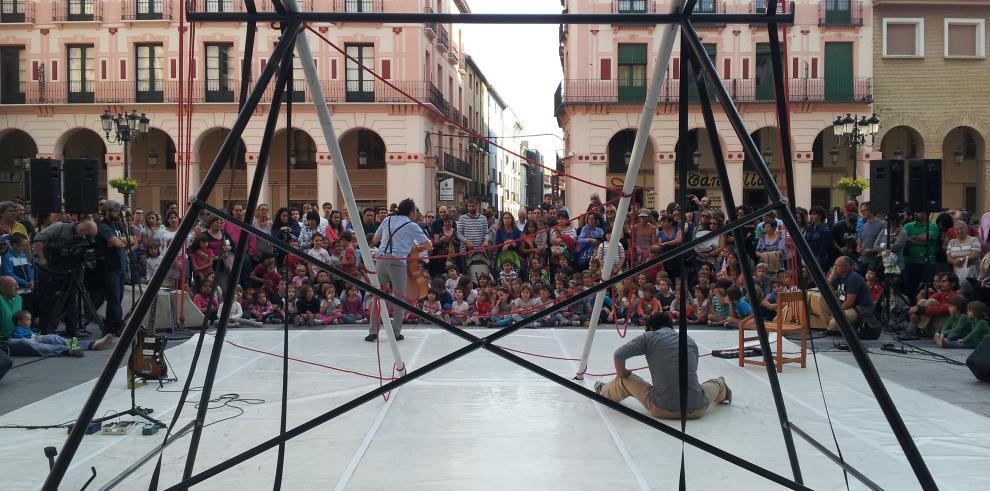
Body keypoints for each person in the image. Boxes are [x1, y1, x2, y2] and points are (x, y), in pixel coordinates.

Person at [595, 313, 731, 420]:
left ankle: (604, 391)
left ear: (652, 328)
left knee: (625, 380)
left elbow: (618, 355)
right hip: (697, 409)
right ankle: (723, 390)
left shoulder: (648, 337)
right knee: (717, 383)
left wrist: (622, 374)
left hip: (661, 408)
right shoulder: (689, 340)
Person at [366, 199, 432, 342]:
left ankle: (372, 331)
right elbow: (428, 245)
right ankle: (396, 332)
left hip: (381, 260)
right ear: (411, 212)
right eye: (415, 211)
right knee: (399, 298)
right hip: (397, 261)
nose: (416, 213)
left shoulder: (387, 220)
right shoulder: (411, 225)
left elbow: (375, 239)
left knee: (377, 296)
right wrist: (415, 249)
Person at [95, 200, 128, 336]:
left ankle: (110, 325)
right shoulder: (103, 227)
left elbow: (131, 239)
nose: (118, 213)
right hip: (109, 267)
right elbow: (118, 243)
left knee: (117, 298)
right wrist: (120, 241)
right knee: (114, 298)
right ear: (108, 211)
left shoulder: (116, 226)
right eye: (115, 211)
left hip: (119, 266)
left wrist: (121, 240)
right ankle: (119, 325)